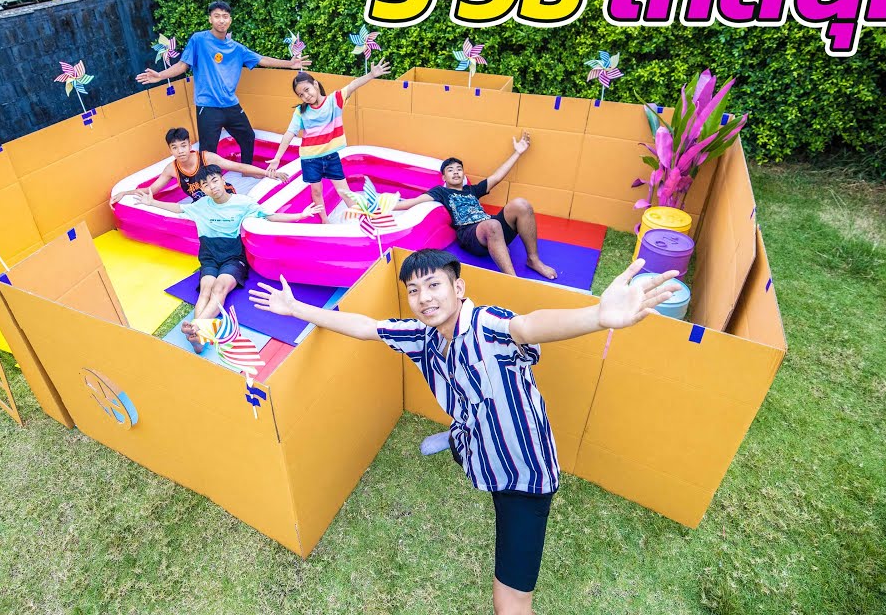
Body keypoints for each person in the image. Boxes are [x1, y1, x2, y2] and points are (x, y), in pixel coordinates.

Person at [250, 248, 680, 615]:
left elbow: (528, 326)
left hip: (522, 474)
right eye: (413, 290)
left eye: (433, 284)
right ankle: (457, 437)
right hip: (477, 444)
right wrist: (297, 309)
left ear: (458, 288)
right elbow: (365, 328)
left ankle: (461, 437)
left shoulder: (489, 326)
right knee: (464, 434)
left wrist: (598, 316)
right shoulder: (422, 337)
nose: (423, 297)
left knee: (509, 602)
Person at [135, 165, 317, 352]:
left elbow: (270, 216)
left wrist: (300, 215)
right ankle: (199, 338)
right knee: (206, 289)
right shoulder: (201, 205)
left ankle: (196, 326)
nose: (212, 187)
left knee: (219, 287)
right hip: (209, 256)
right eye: (206, 185)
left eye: (214, 180)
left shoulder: (243, 203)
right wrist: (152, 203)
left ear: (223, 180)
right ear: (202, 189)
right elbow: (178, 208)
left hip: (233, 257)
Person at [135, 0, 311, 168]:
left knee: (248, 137)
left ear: (230, 20)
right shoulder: (199, 40)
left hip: (231, 104)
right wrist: (160, 75)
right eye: (217, 16)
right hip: (208, 106)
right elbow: (182, 65)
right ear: (210, 19)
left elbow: (261, 59)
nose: (221, 20)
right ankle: (209, 181)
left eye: (225, 16)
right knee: (208, 151)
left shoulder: (236, 48)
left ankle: (246, 170)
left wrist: (290, 64)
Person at [391, 133, 558, 279]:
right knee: (492, 225)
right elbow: (413, 202)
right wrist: (384, 205)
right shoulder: (441, 192)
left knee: (522, 204)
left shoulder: (472, 190)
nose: (456, 172)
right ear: (444, 177)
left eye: (459, 169)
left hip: (491, 226)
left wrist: (518, 152)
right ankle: (512, 279)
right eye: (450, 170)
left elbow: (497, 177)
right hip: (470, 234)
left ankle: (533, 259)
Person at [267, 59, 391, 222]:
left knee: (344, 192)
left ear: (315, 84)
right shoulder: (301, 112)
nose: (306, 96)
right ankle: (325, 220)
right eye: (301, 95)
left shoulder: (334, 100)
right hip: (310, 159)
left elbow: (353, 85)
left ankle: (363, 219)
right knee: (316, 191)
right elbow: (290, 133)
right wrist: (277, 158)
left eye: (307, 90)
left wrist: (371, 75)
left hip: (331, 157)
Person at [110, 127, 290, 205]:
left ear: (189, 145)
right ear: (170, 150)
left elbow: (239, 167)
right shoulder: (171, 169)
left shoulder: (206, 157)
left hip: (224, 197)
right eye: (175, 147)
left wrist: (268, 173)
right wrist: (125, 193)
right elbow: (152, 190)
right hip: (203, 204)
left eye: (183, 145)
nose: (180, 151)